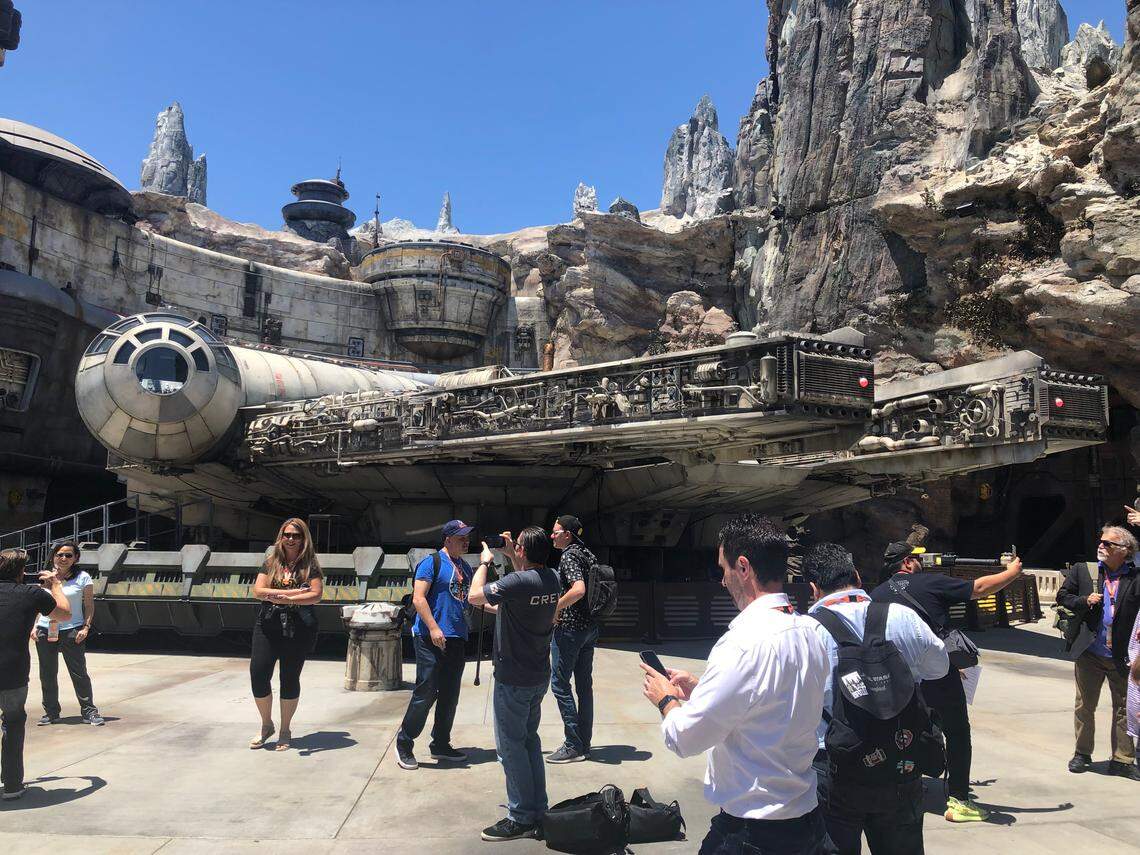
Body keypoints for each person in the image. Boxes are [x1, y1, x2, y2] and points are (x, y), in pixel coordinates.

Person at [641, 514, 830, 855]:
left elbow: (686, 738)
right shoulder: (812, 632)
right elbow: (775, 705)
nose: (722, 580)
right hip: (807, 821)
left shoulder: (741, 644)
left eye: (723, 569)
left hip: (754, 832)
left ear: (743, 567)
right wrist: (702, 689)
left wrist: (666, 700)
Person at [801, 543, 948, 855]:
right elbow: (940, 667)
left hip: (835, 768)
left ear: (813, 588)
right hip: (900, 759)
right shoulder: (902, 616)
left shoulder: (804, 631)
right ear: (857, 575)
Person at [870, 540, 1023, 822]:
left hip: (895, 680)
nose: (920, 563)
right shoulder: (929, 584)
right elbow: (978, 588)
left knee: (898, 733)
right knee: (956, 732)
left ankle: (897, 786)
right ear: (906, 563)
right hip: (937, 674)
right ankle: (959, 801)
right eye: (916, 559)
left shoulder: (876, 595)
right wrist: (1012, 572)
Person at [468, 526, 560, 843]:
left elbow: (475, 597)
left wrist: (484, 562)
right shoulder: (552, 579)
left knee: (510, 749)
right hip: (537, 674)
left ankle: (520, 816)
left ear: (522, 552)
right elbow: (519, 588)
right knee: (529, 743)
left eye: (517, 546)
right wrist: (513, 553)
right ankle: (538, 809)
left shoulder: (518, 582)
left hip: (514, 677)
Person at [1056, 525, 1140, 779]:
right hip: (1089, 651)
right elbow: (1063, 596)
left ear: (1124, 551)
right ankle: (1082, 754)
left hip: (1122, 656)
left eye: (1108, 544)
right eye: (1101, 542)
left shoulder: (1135, 576)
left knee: (1125, 708)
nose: (1101, 546)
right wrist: (1084, 601)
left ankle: (1122, 760)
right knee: (1084, 705)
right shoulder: (1085, 571)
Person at [395, 519, 480, 770]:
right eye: (461, 537)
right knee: (426, 692)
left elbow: (471, 601)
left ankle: (441, 744)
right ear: (447, 539)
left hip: (456, 637)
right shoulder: (431, 563)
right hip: (430, 637)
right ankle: (404, 743)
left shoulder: (465, 567)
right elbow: (419, 598)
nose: (466, 541)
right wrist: (433, 627)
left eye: (467, 537)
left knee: (450, 695)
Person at [0, 548, 70, 800]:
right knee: (13, 722)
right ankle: (11, 785)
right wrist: (55, 585)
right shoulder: (32, 594)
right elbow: (64, 613)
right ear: (21, 572)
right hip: (12, 672)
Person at [249, 517, 324, 752]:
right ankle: (266, 725)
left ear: (304, 539)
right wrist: (292, 592)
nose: (291, 539)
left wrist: (289, 597)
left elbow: (316, 594)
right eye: (287, 535)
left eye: (296, 535)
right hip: (268, 623)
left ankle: (285, 729)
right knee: (259, 673)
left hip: (297, 626)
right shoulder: (271, 562)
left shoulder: (310, 565)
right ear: (281, 537)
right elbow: (258, 590)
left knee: (289, 678)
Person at [33, 541, 104, 727]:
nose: (63, 558)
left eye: (68, 555)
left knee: (79, 672)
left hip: (72, 630)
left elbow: (89, 605)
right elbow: (36, 603)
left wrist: (86, 627)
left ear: (76, 558)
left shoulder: (83, 578)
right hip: (45, 628)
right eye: (59, 555)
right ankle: (50, 712)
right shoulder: (45, 577)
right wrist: (33, 626)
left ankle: (89, 711)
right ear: (53, 557)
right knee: (47, 673)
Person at [546, 514, 598, 764]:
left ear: (567, 534)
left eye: (556, 532)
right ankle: (584, 743)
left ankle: (573, 745)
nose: (552, 536)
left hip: (570, 630)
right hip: (589, 629)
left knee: (559, 684)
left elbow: (578, 590)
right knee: (583, 686)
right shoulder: (588, 554)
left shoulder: (569, 556)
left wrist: (555, 608)